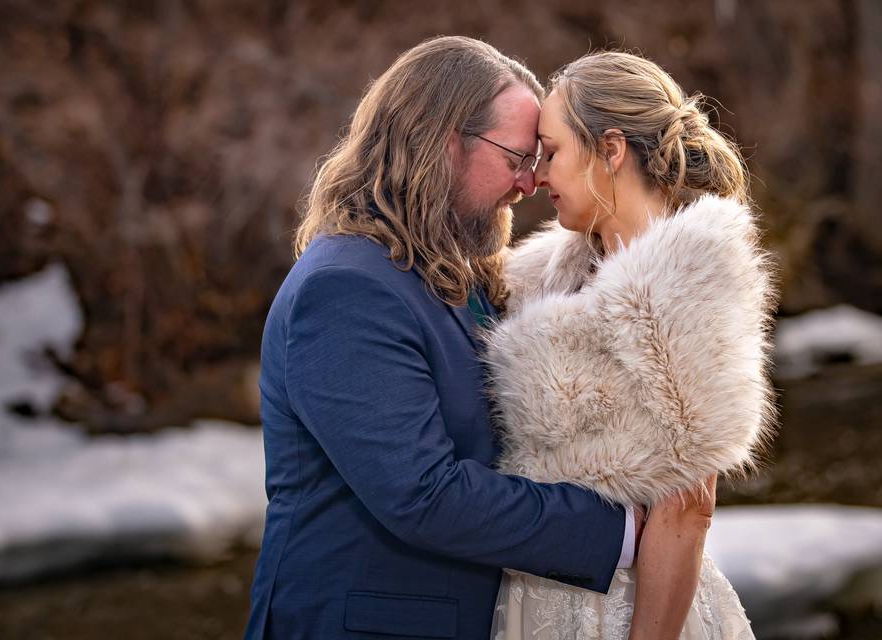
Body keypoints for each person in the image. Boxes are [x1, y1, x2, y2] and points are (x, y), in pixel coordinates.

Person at [242, 36, 681, 639]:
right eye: (517, 157)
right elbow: (423, 494)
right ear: (443, 143)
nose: (530, 183)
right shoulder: (345, 288)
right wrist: (625, 530)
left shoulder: (443, 271)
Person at [485, 51, 775, 639]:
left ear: (610, 150)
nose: (539, 176)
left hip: (625, 612)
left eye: (554, 150)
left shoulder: (684, 277)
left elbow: (688, 508)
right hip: (530, 594)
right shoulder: (542, 275)